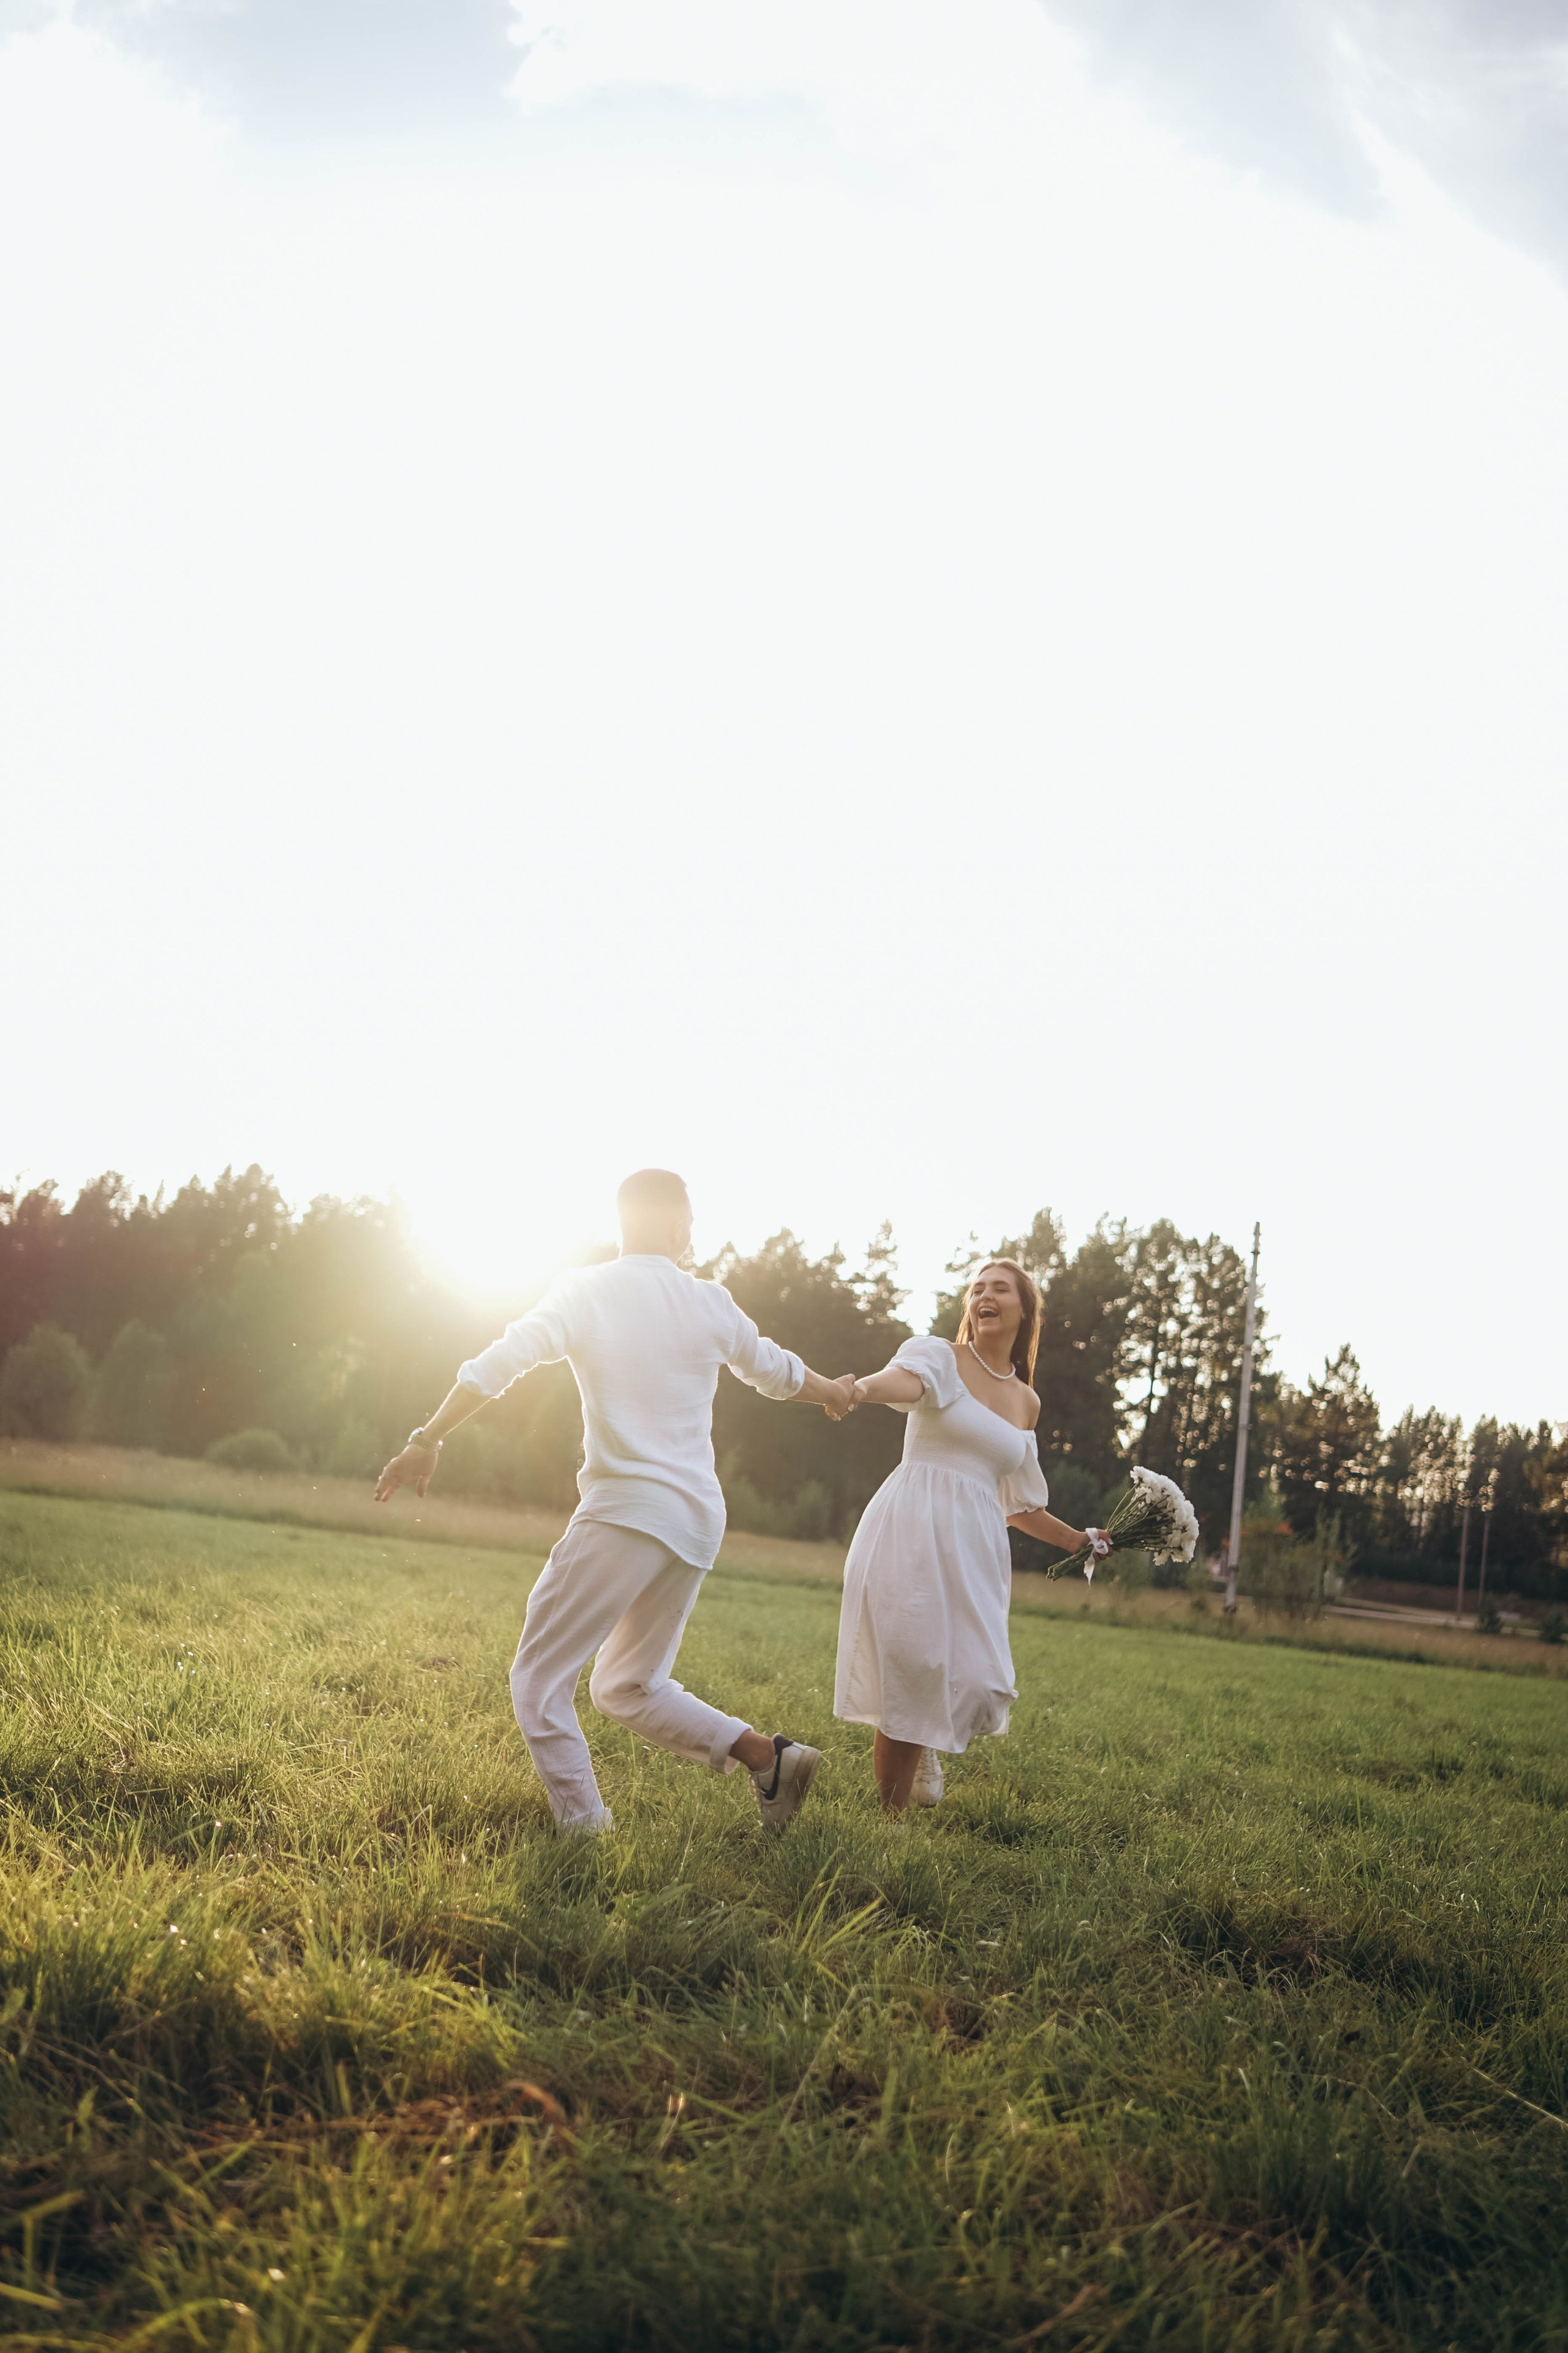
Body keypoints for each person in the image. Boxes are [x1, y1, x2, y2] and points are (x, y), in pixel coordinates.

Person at [374, 1169, 856, 1834]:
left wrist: (428, 1436)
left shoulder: (584, 1290)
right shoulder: (710, 1301)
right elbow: (777, 1372)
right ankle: (767, 1759)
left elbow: (498, 1362)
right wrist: (832, 1390)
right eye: (690, 1223)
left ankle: (584, 1831)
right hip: (694, 1520)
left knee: (538, 1680)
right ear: (676, 1225)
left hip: (627, 1509)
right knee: (625, 1685)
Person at [834, 1258, 1110, 1811]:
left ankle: (926, 1736)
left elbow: (1020, 1503)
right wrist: (859, 1388)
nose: (985, 1295)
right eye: (977, 1288)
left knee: (982, 1681)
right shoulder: (941, 1356)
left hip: (978, 1542)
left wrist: (1078, 1540)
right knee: (912, 1664)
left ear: (1024, 1309)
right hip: (912, 1523)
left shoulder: (1026, 1402)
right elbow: (902, 1381)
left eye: (1000, 1288)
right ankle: (891, 1824)